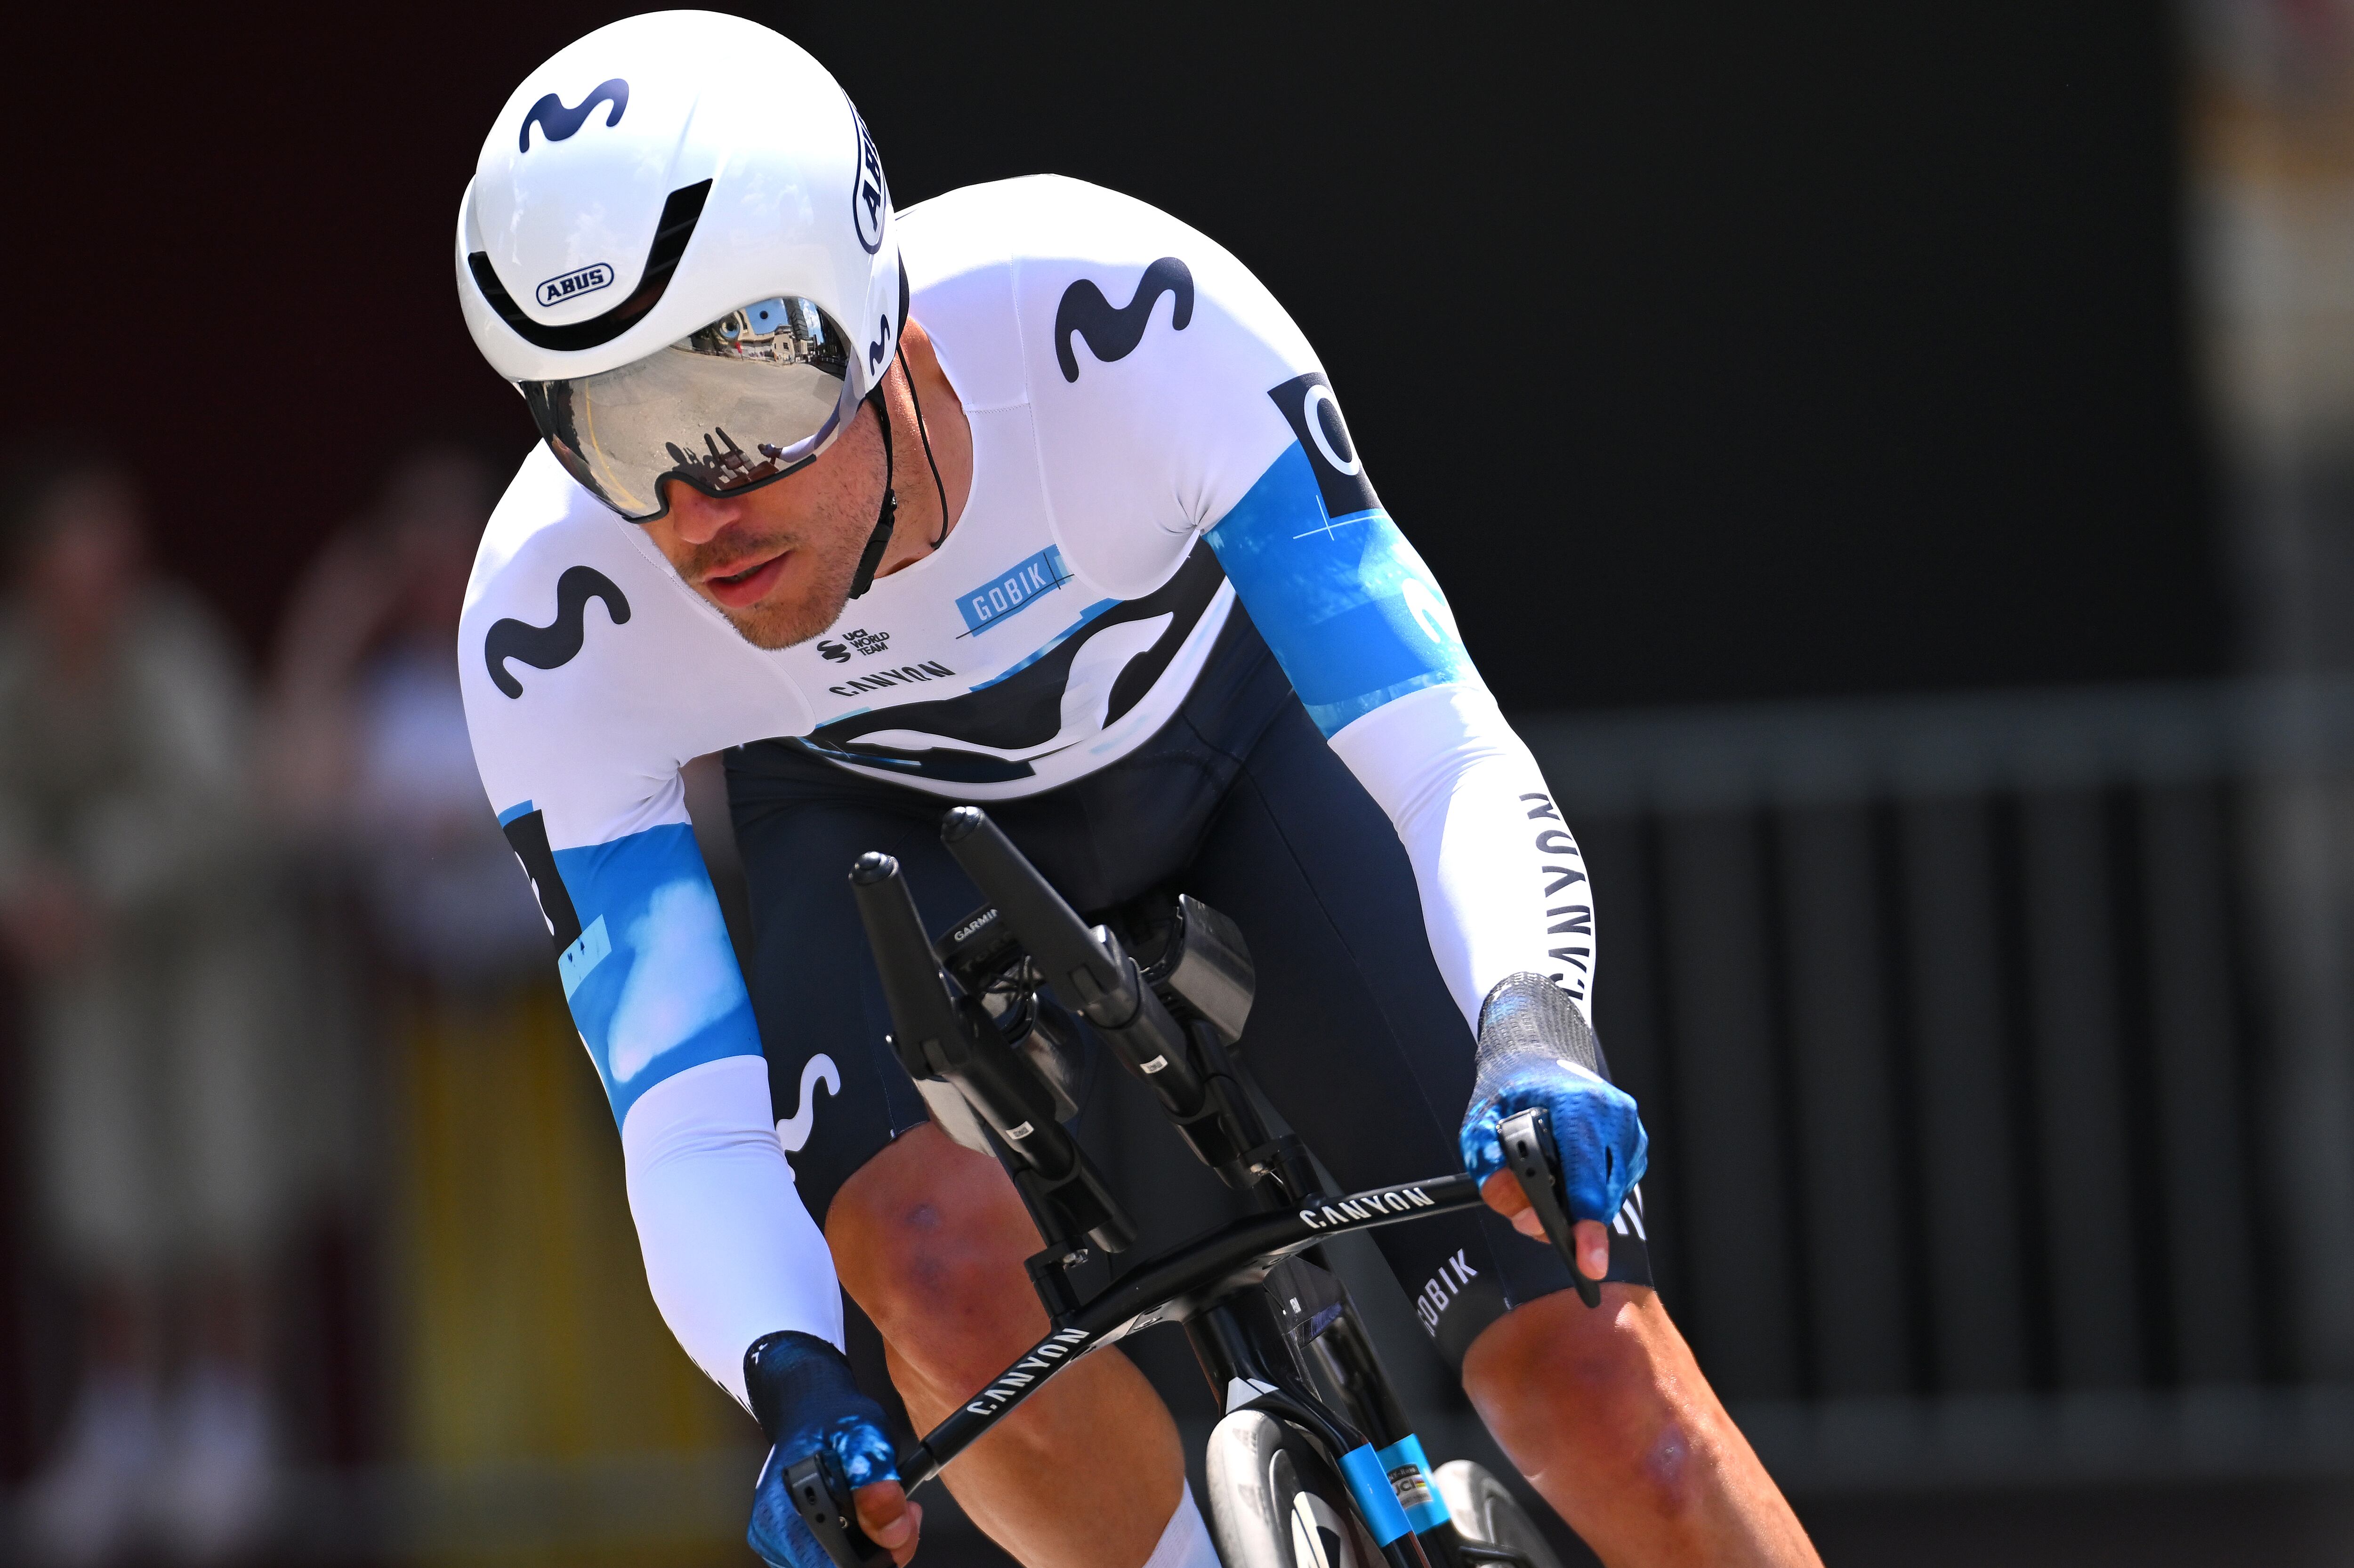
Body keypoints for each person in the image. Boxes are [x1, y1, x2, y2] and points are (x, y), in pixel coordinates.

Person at [452, 16, 1821, 1568]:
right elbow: (682, 1111)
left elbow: (1442, 750)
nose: (696, 511)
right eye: (613, 432)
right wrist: (791, 1376)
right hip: (879, 828)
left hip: (1235, 752)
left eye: (739, 410)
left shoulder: (1119, 317)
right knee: (922, 1272)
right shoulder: (548, 617)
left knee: (1602, 1386)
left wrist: (1531, 1019)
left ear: (874, 318)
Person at [0, 458, 283, 1563]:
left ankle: (231, 1415)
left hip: (210, 960)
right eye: (78, 542)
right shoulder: (19, 661)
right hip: (94, 976)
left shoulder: (173, 646)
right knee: (106, 1181)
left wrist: (99, 875)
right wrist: (25, 890)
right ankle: (118, 1427)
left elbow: (218, 796)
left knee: (224, 1175)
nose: (101, 567)